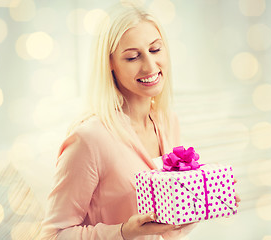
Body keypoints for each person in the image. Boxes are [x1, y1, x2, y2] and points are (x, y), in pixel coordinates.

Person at [40, 3, 240, 240]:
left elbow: (165, 228)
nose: (150, 66)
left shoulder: (167, 121)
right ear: (110, 64)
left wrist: (202, 202)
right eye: (133, 57)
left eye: (155, 50)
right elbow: (52, 235)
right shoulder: (89, 139)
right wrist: (124, 232)